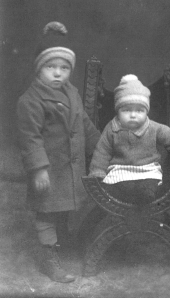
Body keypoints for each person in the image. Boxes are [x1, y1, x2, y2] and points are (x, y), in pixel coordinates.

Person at [17, 21, 100, 283]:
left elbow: (84, 124)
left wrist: (102, 147)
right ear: (38, 69)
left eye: (64, 68)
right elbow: (30, 138)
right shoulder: (30, 100)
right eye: (50, 67)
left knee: (62, 209)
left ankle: (61, 243)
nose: (57, 73)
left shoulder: (72, 93)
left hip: (69, 167)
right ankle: (48, 258)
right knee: (47, 211)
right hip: (50, 169)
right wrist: (39, 168)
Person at [89, 74, 170, 207]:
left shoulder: (153, 127)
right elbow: (102, 152)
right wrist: (97, 172)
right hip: (121, 170)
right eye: (126, 110)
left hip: (147, 170)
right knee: (115, 188)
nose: (133, 115)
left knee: (149, 188)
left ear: (146, 112)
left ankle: (143, 202)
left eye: (139, 110)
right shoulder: (112, 128)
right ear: (118, 111)